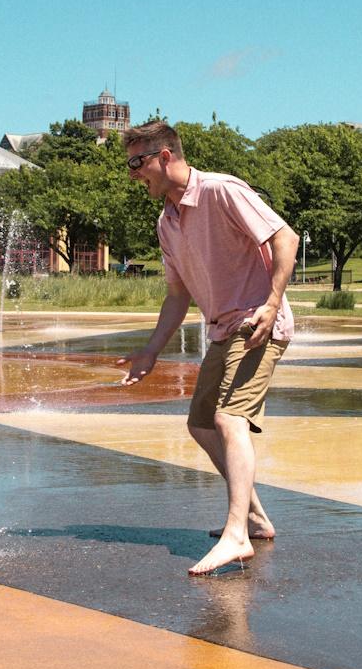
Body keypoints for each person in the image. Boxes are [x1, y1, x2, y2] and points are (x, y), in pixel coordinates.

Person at [117, 121, 299, 576]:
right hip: (222, 330)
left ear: (165, 157)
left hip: (256, 321)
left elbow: (286, 238)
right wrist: (150, 351)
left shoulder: (221, 190)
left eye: (137, 163)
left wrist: (272, 304)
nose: (133, 173)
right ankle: (254, 516)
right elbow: (178, 296)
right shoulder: (167, 222)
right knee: (201, 424)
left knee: (228, 418)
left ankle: (236, 535)